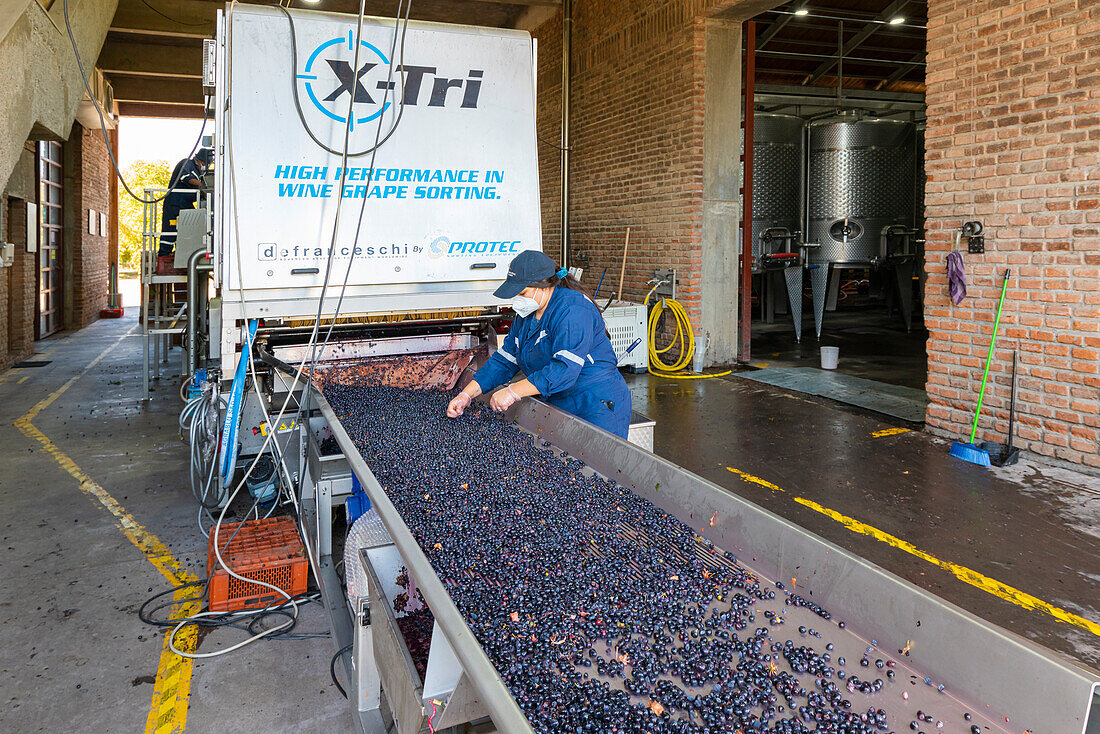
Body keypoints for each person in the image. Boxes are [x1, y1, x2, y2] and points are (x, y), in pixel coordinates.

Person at [447, 250, 632, 438]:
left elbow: (564, 369)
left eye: (522, 292)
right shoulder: (526, 316)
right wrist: (467, 394)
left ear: (543, 286)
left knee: (596, 464)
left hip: (595, 404)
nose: (518, 299)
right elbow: (504, 360)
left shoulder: (572, 309)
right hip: (559, 401)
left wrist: (512, 392)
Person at [157, 148, 213, 272]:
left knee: (190, 229)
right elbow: (186, 178)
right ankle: (163, 259)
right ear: (200, 162)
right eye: (204, 164)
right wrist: (204, 186)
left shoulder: (199, 171)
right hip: (175, 203)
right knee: (170, 230)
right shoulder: (187, 164)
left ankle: (184, 256)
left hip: (186, 204)